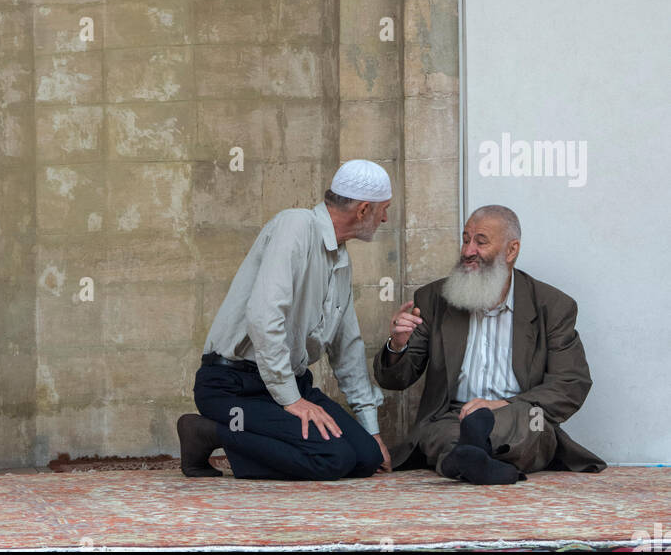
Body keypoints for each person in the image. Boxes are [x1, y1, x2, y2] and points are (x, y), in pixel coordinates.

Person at [177, 160, 393, 480]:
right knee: (333, 459)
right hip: (234, 388)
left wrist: (371, 428)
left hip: (290, 383)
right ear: (363, 210)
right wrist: (291, 399)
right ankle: (209, 432)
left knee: (365, 458)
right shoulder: (295, 225)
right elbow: (264, 316)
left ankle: (249, 434)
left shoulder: (341, 260)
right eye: (383, 209)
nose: (385, 218)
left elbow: (347, 347)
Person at [374, 204, 606, 483]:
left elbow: (571, 383)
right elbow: (396, 380)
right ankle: (477, 458)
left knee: (529, 428)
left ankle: (462, 459)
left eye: (480, 242)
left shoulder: (552, 306)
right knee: (440, 433)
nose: (468, 251)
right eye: (465, 239)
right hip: (454, 416)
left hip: (519, 413)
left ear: (511, 250)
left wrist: (503, 405)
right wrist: (398, 345)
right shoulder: (434, 298)